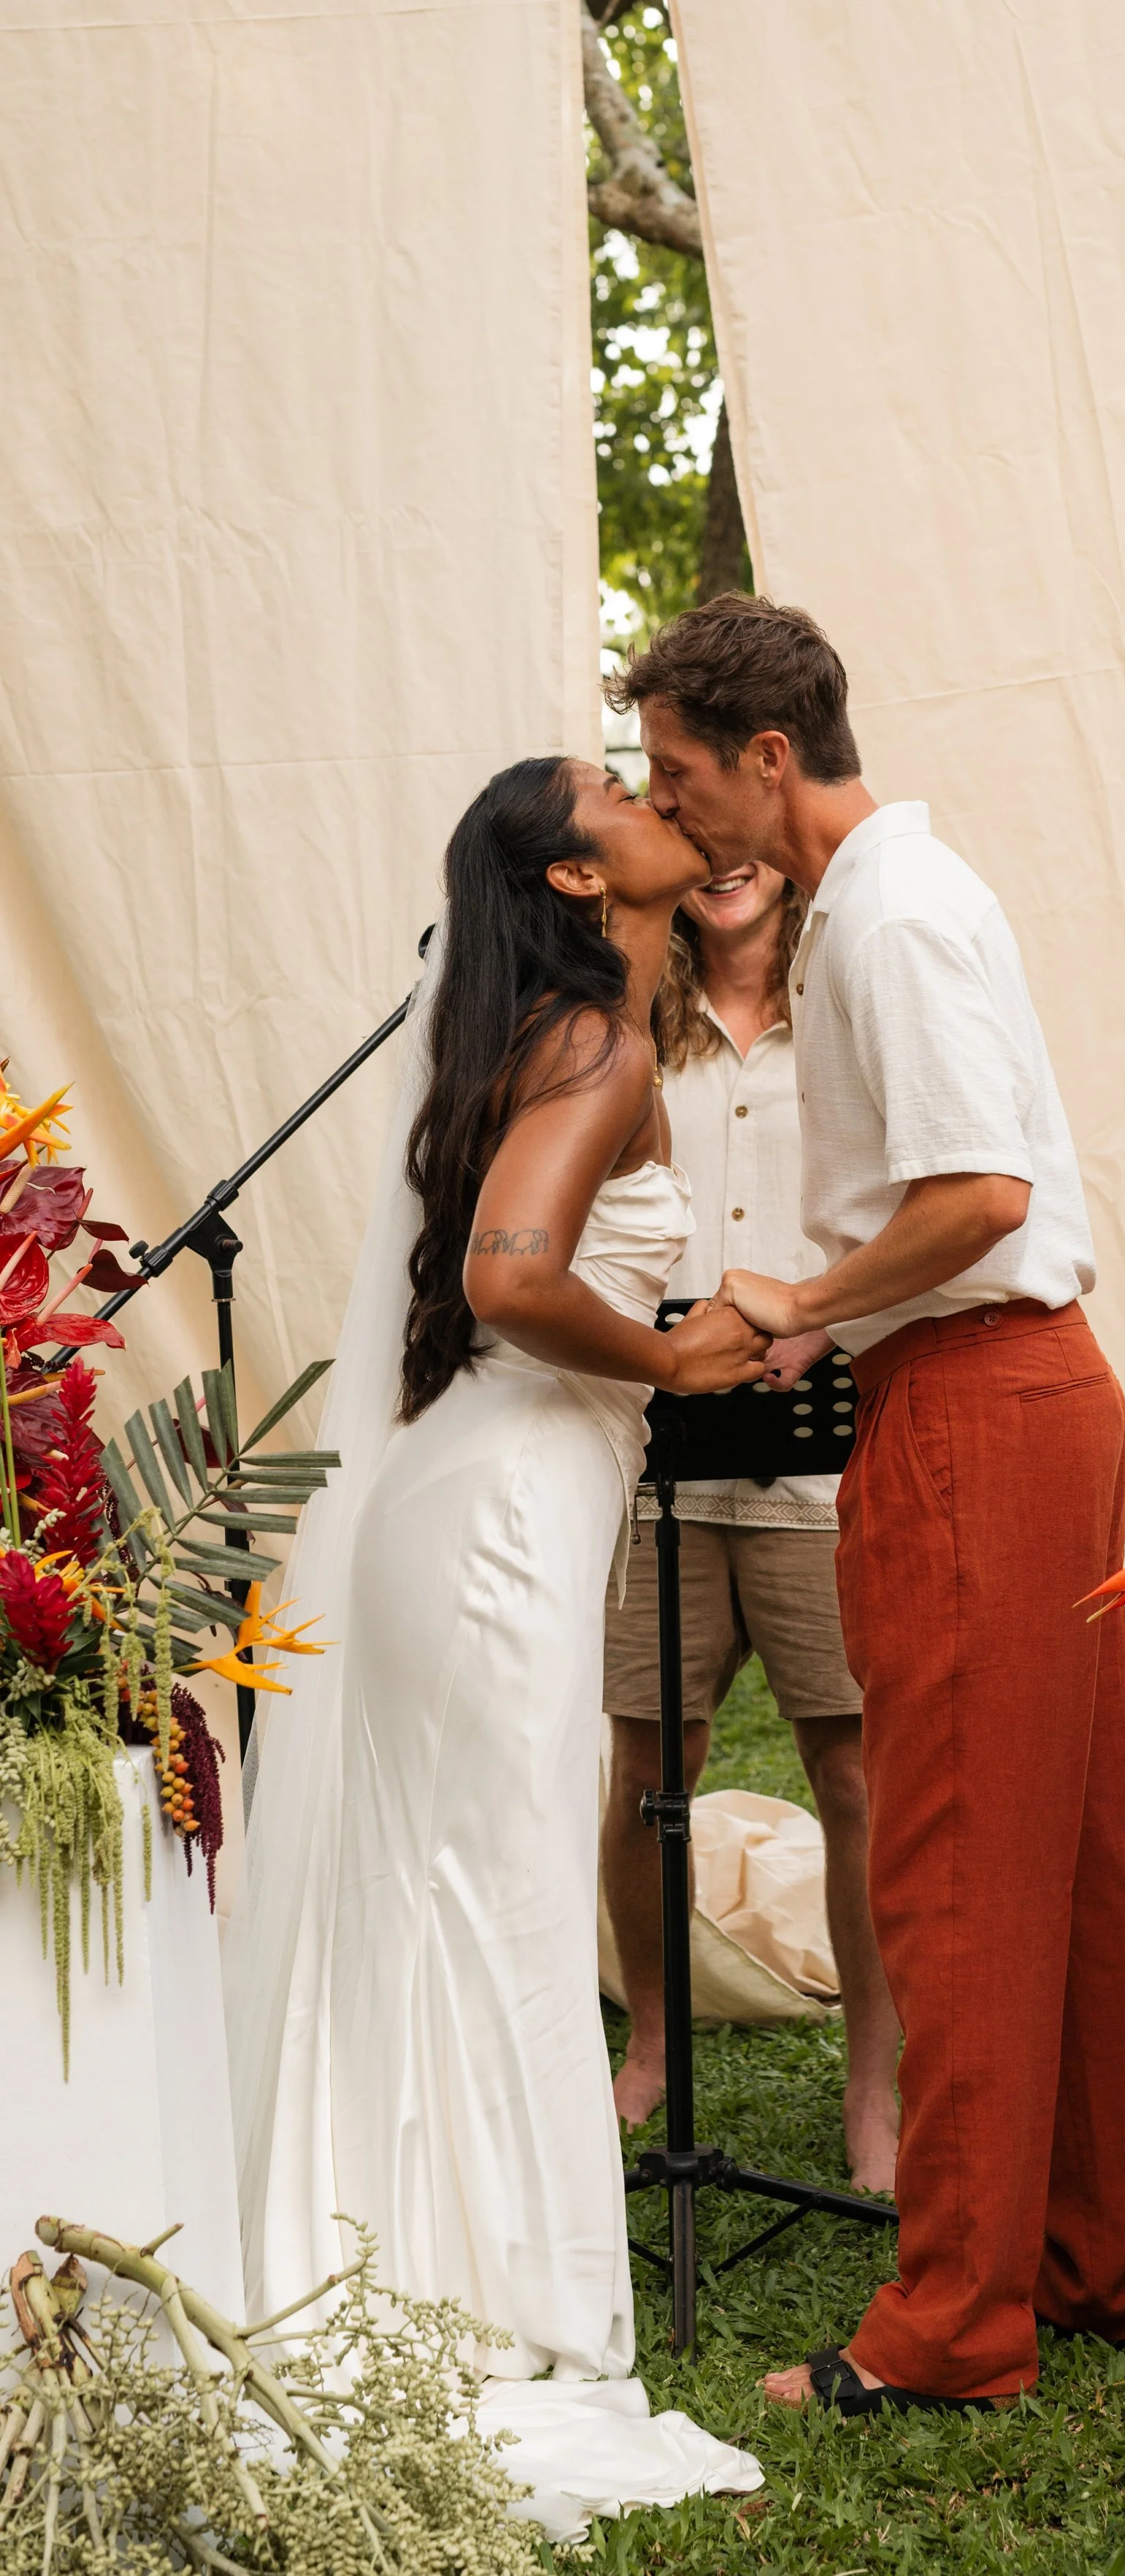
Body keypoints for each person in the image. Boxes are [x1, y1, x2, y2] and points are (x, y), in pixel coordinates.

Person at [609, 595, 1125, 2418]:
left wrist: (790, 1300)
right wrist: (830, 1322)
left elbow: (976, 1195)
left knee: (948, 1865)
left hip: (977, 1407)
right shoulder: (884, 904)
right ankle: (1112, 2261)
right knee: (1064, 1858)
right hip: (1000, 1393)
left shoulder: (891, 920)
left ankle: (950, 2329)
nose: (668, 807)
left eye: (681, 773)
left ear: (767, 761)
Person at [224, 756, 766, 2531]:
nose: (640, 786)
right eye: (609, 786)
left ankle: (415, 2258)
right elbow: (510, 1278)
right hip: (500, 1527)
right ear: (569, 873)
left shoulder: (560, 1037)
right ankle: (508, 2299)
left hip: (478, 1502)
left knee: (450, 1891)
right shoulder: (595, 1047)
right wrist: (678, 1358)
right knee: (507, 1893)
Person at [599, 855, 901, 2192]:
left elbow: (911, 1212)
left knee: (855, 1780)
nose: (724, 864)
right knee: (647, 1777)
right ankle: (654, 2049)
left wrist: (817, 1318)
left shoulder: (849, 1002)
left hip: (820, 1467)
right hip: (654, 1460)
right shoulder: (621, 1024)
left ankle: (877, 2093)